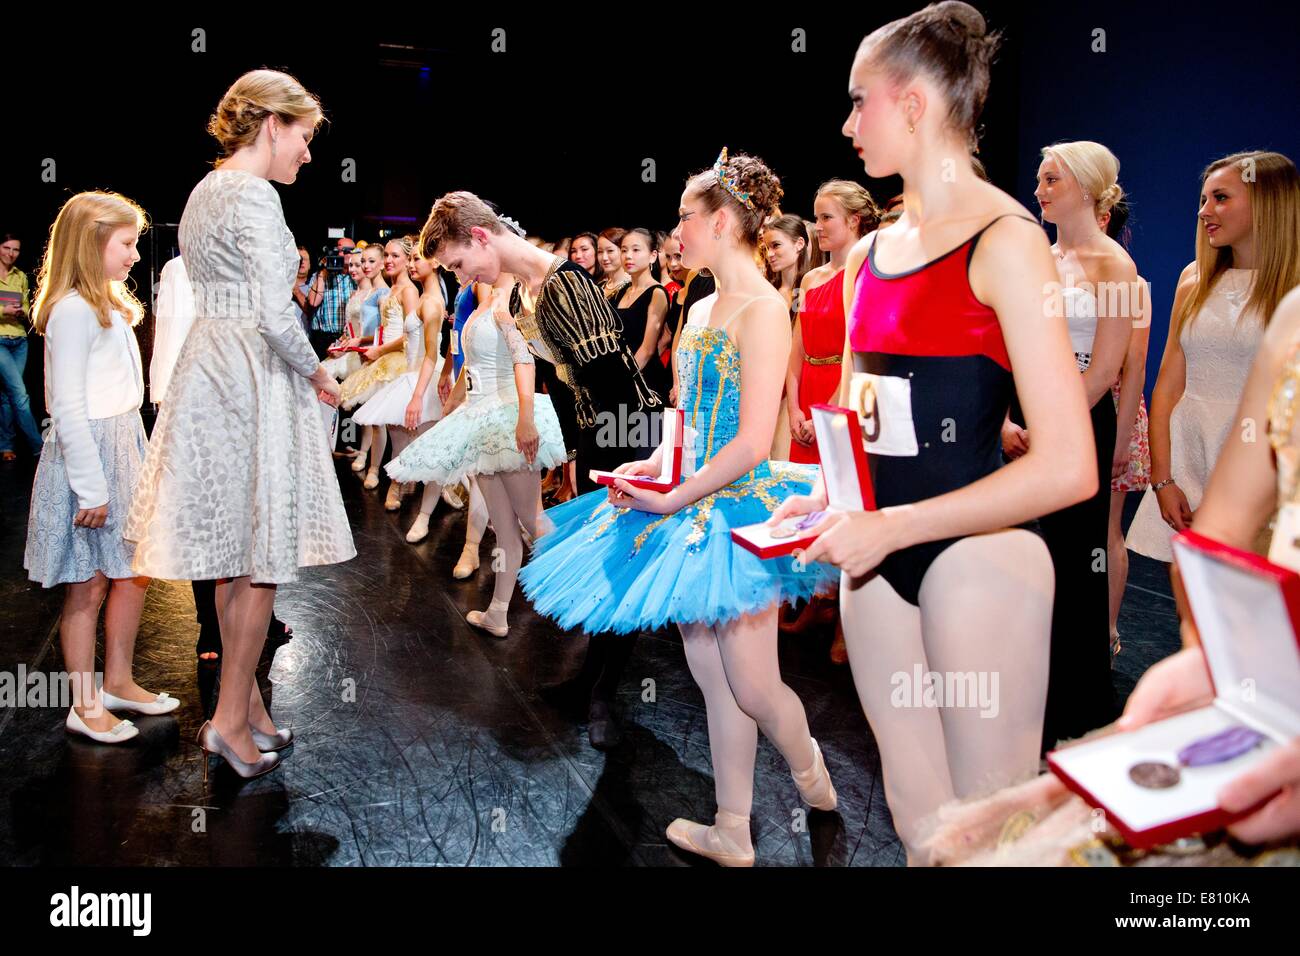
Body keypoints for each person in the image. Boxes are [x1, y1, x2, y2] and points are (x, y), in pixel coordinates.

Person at [770, 1, 1097, 864]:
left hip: (978, 558)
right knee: (919, 818)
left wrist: (894, 525)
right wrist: (806, 497)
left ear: (913, 103)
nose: (846, 125)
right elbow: (857, 423)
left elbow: (1070, 464)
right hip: (876, 564)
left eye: (858, 101)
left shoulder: (1006, 239)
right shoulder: (872, 251)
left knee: (993, 832)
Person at [520, 150, 838, 866]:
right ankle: (733, 825)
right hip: (690, 500)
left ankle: (813, 775)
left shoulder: (763, 310)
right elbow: (685, 422)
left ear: (721, 221)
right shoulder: (697, 307)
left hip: (740, 514)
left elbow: (755, 441)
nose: (678, 228)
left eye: (685, 216)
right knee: (706, 670)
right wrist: (652, 464)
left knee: (754, 682)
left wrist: (674, 495)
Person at [124, 69, 356, 779]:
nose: (309, 155)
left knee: (237, 556)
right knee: (258, 561)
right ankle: (227, 722)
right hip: (250, 372)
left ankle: (248, 707)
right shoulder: (253, 196)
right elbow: (274, 312)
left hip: (213, 368)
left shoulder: (205, 191)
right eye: (305, 138)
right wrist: (319, 371)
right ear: (273, 125)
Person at [419, 190, 662, 750]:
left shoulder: (565, 285)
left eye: (458, 262)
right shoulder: (531, 294)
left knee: (620, 560)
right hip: (602, 435)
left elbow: (613, 386)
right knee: (610, 559)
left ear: (481, 237)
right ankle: (589, 681)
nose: (460, 275)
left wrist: (611, 459)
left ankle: (603, 690)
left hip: (628, 432)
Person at [24, 191, 179, 743]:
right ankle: (84, 705)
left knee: (132, 572)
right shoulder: (71, 310)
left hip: (123, 443)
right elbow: (65, 404)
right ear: (92, 244)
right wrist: (90, 487)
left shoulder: (109, 302)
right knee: (87, 585)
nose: (136, 254)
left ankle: (118, 681)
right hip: (90, 457)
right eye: (127, 243)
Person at [1008, 140, 1137, 747]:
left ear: (1085, 188)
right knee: (1024, 563)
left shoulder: (1115, 266)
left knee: (1071, 563)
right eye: (1039, 179)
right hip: (1026, 418)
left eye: (1050, 179)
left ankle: (1071, 704)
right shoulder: (1037, 254)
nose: (1038, 189)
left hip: (1079, 423)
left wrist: (1047, 424)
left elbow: (1104, 369)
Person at [1127, 150, 1300, 563]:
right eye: (1204, 200)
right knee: (1191, 609)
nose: (1205, 211)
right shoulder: (1193, 280)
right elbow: (1168, 386)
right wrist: (1164, 479)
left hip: (1262, 472)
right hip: (1188, 467)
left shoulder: (1292, 292)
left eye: (1221, 198)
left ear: (1267, 204)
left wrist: (1243, 497)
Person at [387, 266, 567, 636]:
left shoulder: (510, 302)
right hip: (481, 418)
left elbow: (525, 359)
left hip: (507, 418)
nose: (461, 267)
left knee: (532, 520)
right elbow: (471, 362)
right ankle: (498, 612)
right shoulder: (487, 300)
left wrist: (526, 418)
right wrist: (455, 400)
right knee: (503, 528)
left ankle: (575, 593)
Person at [0, 232, 43, 460]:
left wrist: (21, 311)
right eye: (7, 248)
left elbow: (27, 306)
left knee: (8, 396)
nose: (11, 253)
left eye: (15, 249)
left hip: (19, 340)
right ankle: (38, 445)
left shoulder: (20, 276)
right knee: (19, 394)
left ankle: (6, 446)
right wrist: (2, 311)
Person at [306, 237, 356, 359]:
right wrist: (322, 274)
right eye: (338, 250)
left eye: (347, 251)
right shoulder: (322, 275)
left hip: (346, 338)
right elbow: (313, 302)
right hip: (322, 338)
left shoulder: (357, 277)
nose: (341, 254)